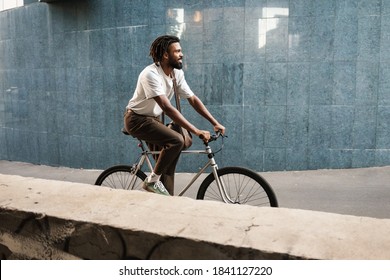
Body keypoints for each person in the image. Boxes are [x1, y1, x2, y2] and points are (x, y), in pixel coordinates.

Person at [124, 35, 225, 196]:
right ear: (165, 55)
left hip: (153, 120)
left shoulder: (176, 74)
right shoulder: (150, 74)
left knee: (169, 166)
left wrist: (215, 122)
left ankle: (166, 202)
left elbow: (192, 99)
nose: (181, 54)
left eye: (181, 50)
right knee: (176, 140)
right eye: (177, 51)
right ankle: (152, 180)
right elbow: (166, 107)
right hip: (137, 120)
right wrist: (197, 130)